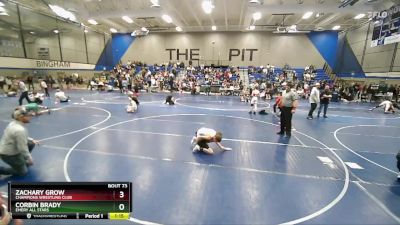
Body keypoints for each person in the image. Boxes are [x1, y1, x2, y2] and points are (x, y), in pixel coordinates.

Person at [0, 107, 38, 177]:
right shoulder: (20, 130)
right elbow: (22, 148)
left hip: (6, 147)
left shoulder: (13, 123)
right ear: (21, 117)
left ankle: (21, 162)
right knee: (23, 172)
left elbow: (16, 136)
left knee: (31, 143)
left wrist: (31, 139)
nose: (30, 117)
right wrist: (29, 159)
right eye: (28, 115)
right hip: (9, 155)